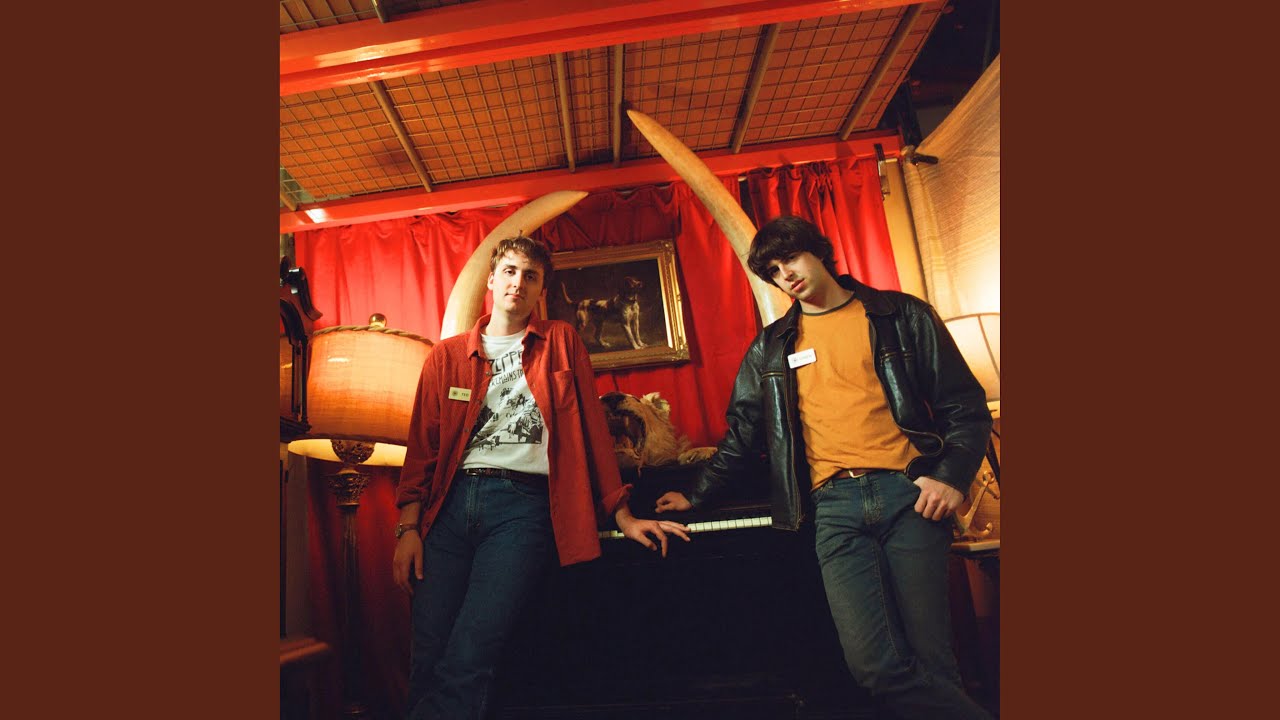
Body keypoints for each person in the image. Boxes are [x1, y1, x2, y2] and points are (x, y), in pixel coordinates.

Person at [654, 216, 994, 719]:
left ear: (818, 251)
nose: (785, 275)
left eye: (790, 258)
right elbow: (745, 432)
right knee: (873, 667)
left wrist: (950, 477)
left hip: (909, 497)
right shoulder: (771, 347)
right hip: (833, 508)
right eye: (773, 271)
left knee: (933, 662)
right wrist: (695, 493)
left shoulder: (901, 315)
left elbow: (964, 405)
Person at [392, 235, 690, 720]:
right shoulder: (445, 356)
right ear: (492, 280)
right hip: (447, 508)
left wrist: (623, 514)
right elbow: (422, 450)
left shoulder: (562, 341)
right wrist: (408, 529)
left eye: (530, 276)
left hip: (522, 508)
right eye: (510, 271)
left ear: (541, 289)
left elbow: (592, 431)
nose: (519, 282)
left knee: (471, 652)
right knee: (428, 653)